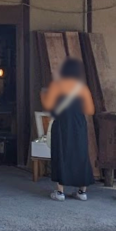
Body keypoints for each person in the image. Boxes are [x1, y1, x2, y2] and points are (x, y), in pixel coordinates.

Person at [41, 58, 95, 201]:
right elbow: (90, 110)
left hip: (62, 125)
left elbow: (49, 106)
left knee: (62, 154)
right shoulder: (82, 88)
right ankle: (82, 191)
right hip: (78, 126)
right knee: (81, 155)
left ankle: (60, 192)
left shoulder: (57, 86)